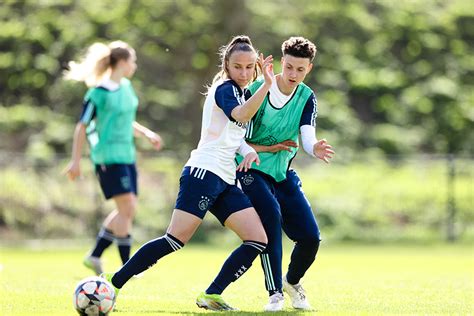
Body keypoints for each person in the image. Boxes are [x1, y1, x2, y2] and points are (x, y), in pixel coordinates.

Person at [100, 35, 275, 311]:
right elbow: (240, 116)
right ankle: (113, 281)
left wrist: (247, 150)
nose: (243, 72)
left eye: (249, 67)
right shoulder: (224, 88)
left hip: (226, 179)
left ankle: (212, 294)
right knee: (175, 240)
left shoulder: (241, 92)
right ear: (227, 65)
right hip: (203, 174)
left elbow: (231, 131)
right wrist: (266, 85)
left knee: (257, 239)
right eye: (237, 66)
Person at [235, 36, 334, 311]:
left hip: (282, 173)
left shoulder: (307, 97)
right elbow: (237, 138)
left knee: (311, 238)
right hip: (251, 169)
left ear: (309, 69)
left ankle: (291, 282)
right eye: (289, 67)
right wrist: (260, 150)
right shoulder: (258, 89)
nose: (293, 74)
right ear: (282, 62)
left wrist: (315, 148)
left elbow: (307, 137)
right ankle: (274, 293)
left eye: (300, 70)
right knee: (271, 219)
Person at [64, 41, 163, 275]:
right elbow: (81, 127)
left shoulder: (127, 88)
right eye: (133, 60)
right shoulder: (97, 93)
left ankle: (95, 255)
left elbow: (126, 121)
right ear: (121, 62)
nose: (135, 65)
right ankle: (127, 267)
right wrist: (75, 160)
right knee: (127, 207)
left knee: (127, 210)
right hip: (107, 158)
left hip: (127, 156)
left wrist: (146, 134)